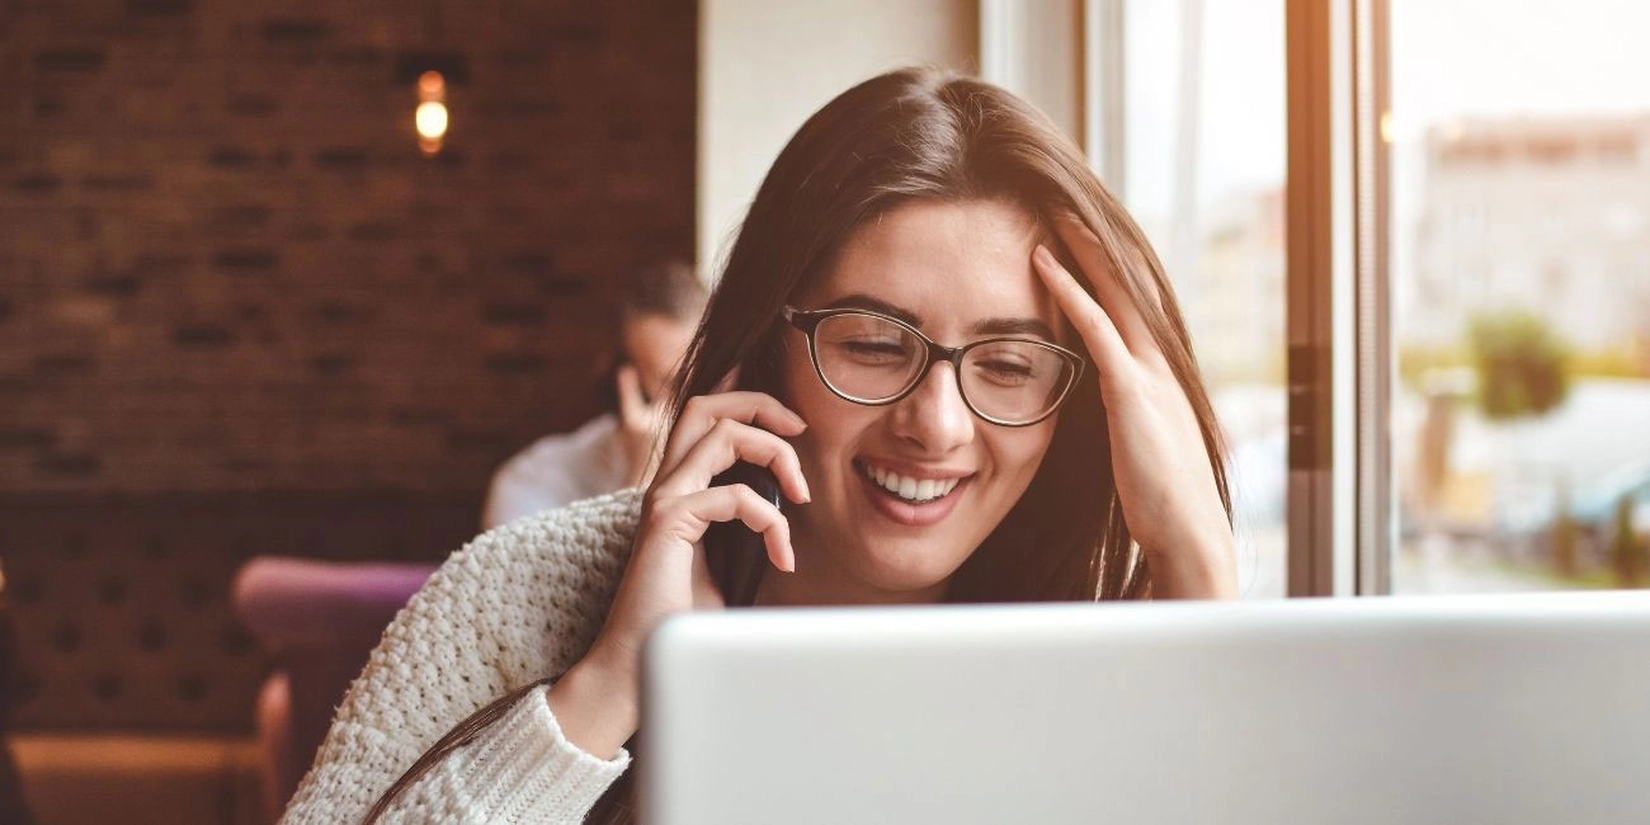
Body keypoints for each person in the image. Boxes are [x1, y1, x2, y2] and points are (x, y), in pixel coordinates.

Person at [280, 67, 1238, 825]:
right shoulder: (523, 597)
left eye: (1010, 364)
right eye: (874, 345)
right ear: (767, 345)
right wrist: (612, 685)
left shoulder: (1118, 658)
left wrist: (1199, 567)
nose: (938, 424)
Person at [481, 260, 707, 529]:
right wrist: (644, 471)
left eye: (705, 381)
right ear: (620, 381)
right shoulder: (529, 481)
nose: (698, 402)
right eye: (675, 383)